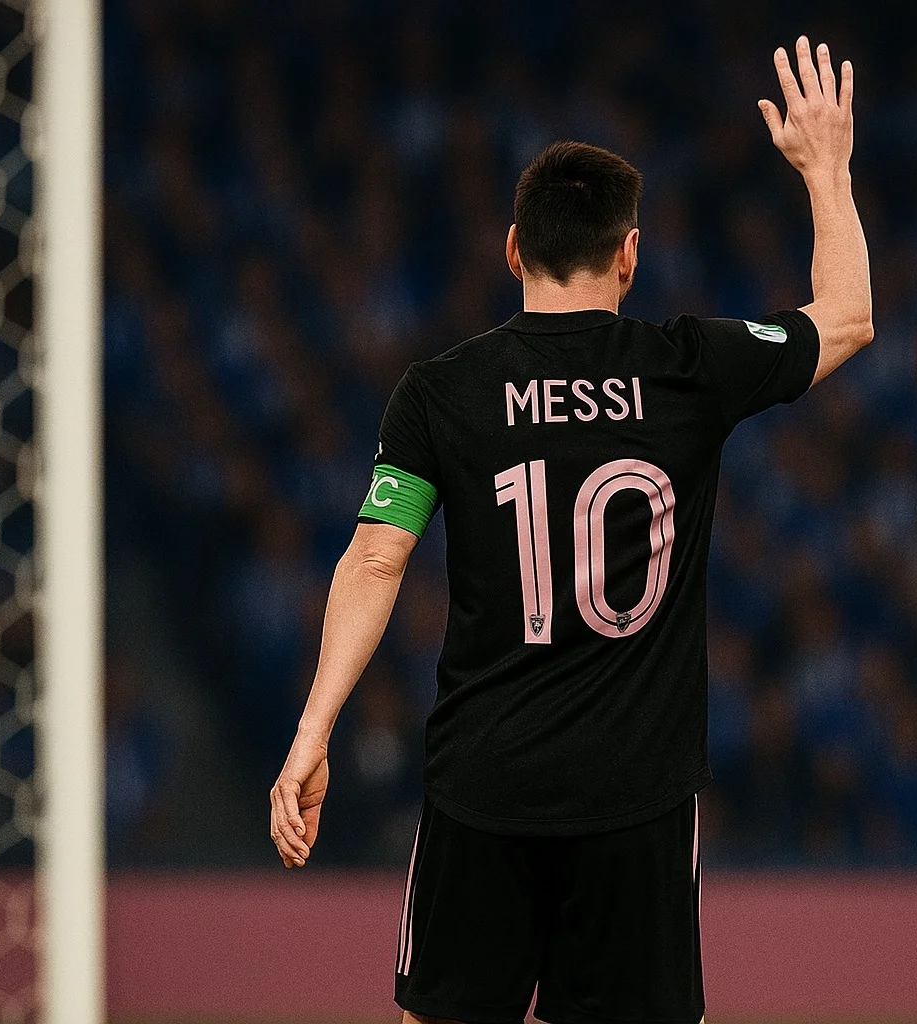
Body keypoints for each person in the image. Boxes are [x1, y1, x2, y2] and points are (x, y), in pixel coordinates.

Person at [270, 36, 872, 1024]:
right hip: (635, 800)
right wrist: (826, 167)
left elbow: (377, 556)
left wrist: (313, 731)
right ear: (630, 254)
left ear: (514, 249)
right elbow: (847, 317)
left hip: (484, 790)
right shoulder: (688, 368)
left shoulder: (443, 392)